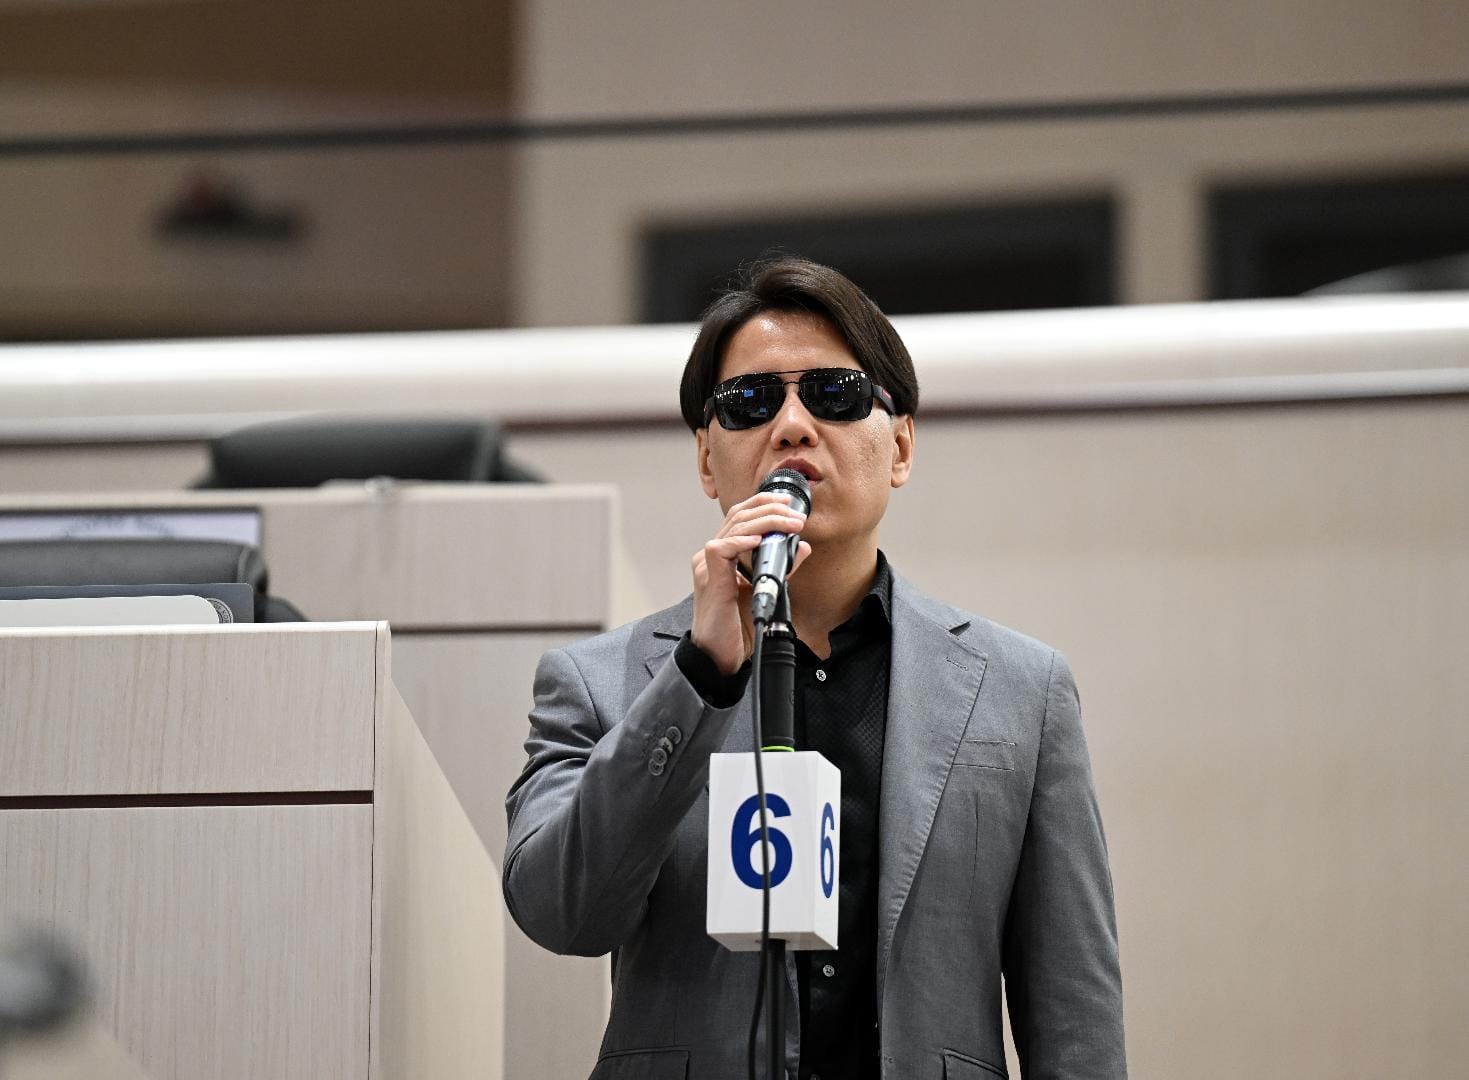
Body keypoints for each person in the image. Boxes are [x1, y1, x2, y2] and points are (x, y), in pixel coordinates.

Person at [504, 256, 1126, 1080]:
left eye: (834, 394)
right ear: (706, 460)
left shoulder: (1021, 689)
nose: (793, 426)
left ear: (899, 445)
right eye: (750, 402)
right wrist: (697, 676)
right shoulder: (599, 682)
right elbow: (560, 914)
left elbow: (1074, 1013)